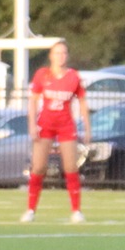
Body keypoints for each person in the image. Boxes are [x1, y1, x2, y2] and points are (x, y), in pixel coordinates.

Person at [24, 39, 90, 224]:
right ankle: (30, 209)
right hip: (45, 125)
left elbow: (83, 103)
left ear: (67, 56)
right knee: (38, 167)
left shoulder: (73, 76)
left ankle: (76, 211)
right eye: (57, 53)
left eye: (63, 53)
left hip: (66, 125)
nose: (60, 56)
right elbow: (33, 101)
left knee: (70, 166)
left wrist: (87, 127)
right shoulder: (42, 75)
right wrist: (32, 125)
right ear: (51, 56)